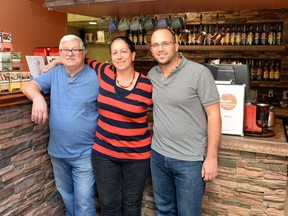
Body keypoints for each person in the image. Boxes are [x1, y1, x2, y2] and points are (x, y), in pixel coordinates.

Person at [45, 36, 153, 216]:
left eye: (124, 51)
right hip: (105, 154)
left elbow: (168, 106)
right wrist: (57, 60)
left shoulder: (147, 85)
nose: (119, 56)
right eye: (115, 52)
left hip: (137, 155)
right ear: (110, 57)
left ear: (133, 55)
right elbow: (80, 57)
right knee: (109, 204)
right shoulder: (104, 72)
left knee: (132, 204)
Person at [21, 35, 99, 216]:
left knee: (84, 201)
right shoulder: (54, 74)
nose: (70, 54)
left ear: (83, 53)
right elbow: (27, 86)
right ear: (60, 53)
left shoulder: (95, 76)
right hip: (58, 153)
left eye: (75, 50)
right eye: (65, 50)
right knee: (67, 197)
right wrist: (38, 97)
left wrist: (57, 60)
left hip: (85, 154)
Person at [148, 28, 222, 216]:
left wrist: (212, 157)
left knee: (188, 213)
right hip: (158, 156)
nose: (160, 49)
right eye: (155, 45)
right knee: (164, 211)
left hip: (190, 160)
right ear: (151, 50)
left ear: (176, 45)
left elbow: (214, 115)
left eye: (165, 43)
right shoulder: (152, 75)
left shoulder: (199, 73)